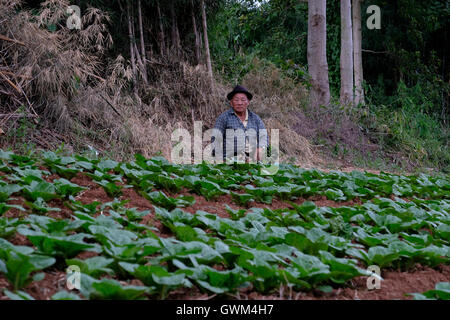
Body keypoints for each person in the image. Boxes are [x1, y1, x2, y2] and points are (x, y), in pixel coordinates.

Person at [212, 85, 268, 163]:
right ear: (231, 103)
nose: (240, 103)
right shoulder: (224, 118)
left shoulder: (255, 118)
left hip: (252, 159)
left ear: (248, 102)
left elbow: (263, 136)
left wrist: (260, 148)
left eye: (243, 100)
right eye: (236, 100)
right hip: (230, 159)